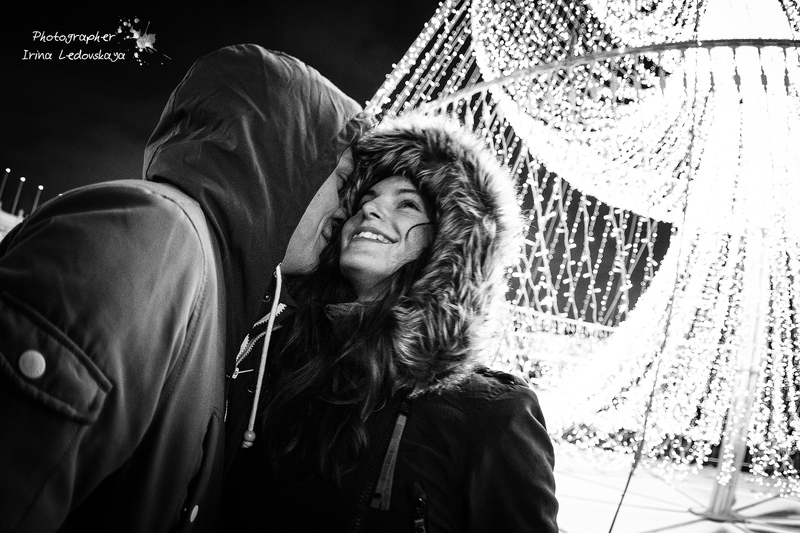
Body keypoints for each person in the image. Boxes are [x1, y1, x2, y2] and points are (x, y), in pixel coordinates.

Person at [0, 44, 372, 532]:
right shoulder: (155, 236)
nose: (348, 207)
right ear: (282, 158)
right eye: (342, 179)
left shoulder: (213, 295)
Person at [222, 114, 559, 532]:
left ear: (448, 244)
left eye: (407, 204)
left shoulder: (489, 413)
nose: (369, 209)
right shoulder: (270, 359)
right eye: (365, 198)